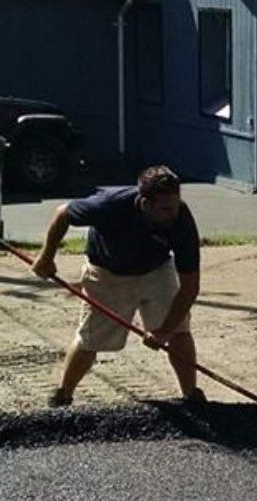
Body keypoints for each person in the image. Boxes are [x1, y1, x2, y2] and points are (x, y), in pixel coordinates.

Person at [31, 165, 204, 408]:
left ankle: (191, 396)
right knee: (90, 339)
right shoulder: (109, 205)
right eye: (165, 209)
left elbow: (190, 286)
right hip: (107, 273)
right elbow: (63, 213)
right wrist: (46, 257)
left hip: (156, 271)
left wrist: (164, 331)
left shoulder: (180, 220)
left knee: (179, 331)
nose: (173, 213)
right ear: (145, 203)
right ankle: (63, 395)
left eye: (175, 205)